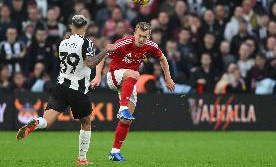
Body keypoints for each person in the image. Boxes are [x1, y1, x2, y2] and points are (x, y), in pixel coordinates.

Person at [16, 15, 116, 165]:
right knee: (86, 122)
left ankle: (36, 122)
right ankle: (82, 159)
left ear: (71, 26)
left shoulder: (63, 43)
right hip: (78, 89)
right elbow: (90, 63)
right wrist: (105, 51)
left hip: (61, 86)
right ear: (85, 27)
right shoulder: (86, 43)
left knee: (47, 121)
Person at [90, 22, 175, 162]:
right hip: (114, 76)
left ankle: (114, 152)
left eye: (145, 37)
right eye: (140, 36)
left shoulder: (151, 46)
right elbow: (104, 55)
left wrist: (168, 78)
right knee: (134, 74)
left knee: (126, 120)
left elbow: (163, 59)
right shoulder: (123, 43)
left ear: (149, 36)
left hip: (128, 83)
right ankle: (122, 108)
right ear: (135, 33)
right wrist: (98, 76)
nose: (142, 39)